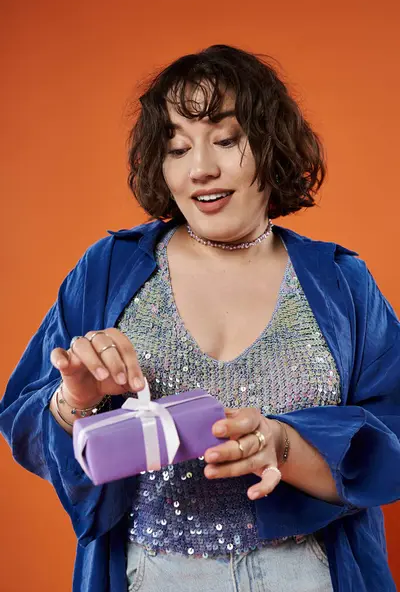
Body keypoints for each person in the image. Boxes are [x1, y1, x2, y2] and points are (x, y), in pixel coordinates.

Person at [1, 44, 399, 592]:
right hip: (151, 573)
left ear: (269, 144)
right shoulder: (112, 268)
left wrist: (282, 443)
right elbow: (24, 421)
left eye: (227, 140)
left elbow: (395, 427)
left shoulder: (339, 282)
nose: (201, 169)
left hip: (307, 571)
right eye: (177, 147)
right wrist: (75, 403)